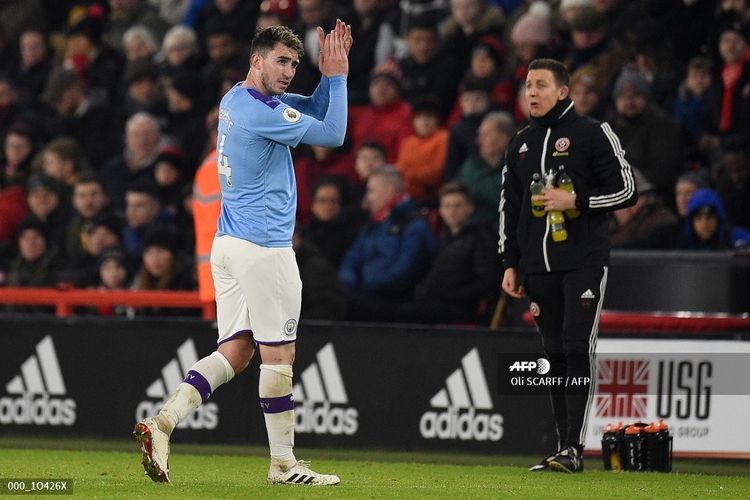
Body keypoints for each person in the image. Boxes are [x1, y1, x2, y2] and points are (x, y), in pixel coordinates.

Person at [134, 22, 352, 486]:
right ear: (256, 60)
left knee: (235, 352)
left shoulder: (237, 98)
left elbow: (310, 108)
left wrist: (325, 80)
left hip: (228, 244)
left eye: (295, 63)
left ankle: (162, 423)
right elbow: (333, 134)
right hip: (263, 248)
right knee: (280, 356)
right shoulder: (262, 113)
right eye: (281, 61)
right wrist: (339, 77)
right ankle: (284, 465)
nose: (291, 70)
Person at [499, 58, 636, 473]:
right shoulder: (519, 142)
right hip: (536, 265)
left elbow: (627, 190)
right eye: (527, 86)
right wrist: (510, 262)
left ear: (563, 92)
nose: (532, 93)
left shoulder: (593, 133)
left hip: (583, 260)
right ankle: (563, 448)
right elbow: (510, 206)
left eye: (541, 85)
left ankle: (575, 448)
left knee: (577, 346)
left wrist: (577, 201)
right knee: (553, 353)